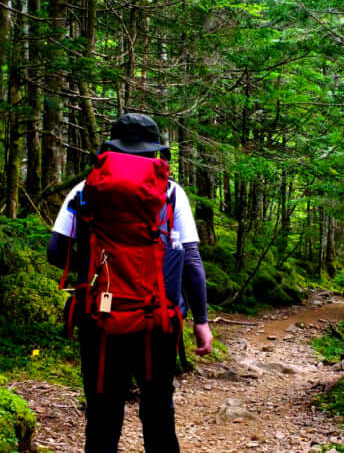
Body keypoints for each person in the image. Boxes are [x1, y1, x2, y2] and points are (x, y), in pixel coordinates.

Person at [47, 113, 213, 453]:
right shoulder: (171, 192)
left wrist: (95, 268)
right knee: (158, 414)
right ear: (154, 153)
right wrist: (201, 321)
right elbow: (192, 261)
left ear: (113, 147)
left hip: (100, 318)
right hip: (157, 320)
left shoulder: (86, 188)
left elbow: (55, 251)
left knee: (103, 416)